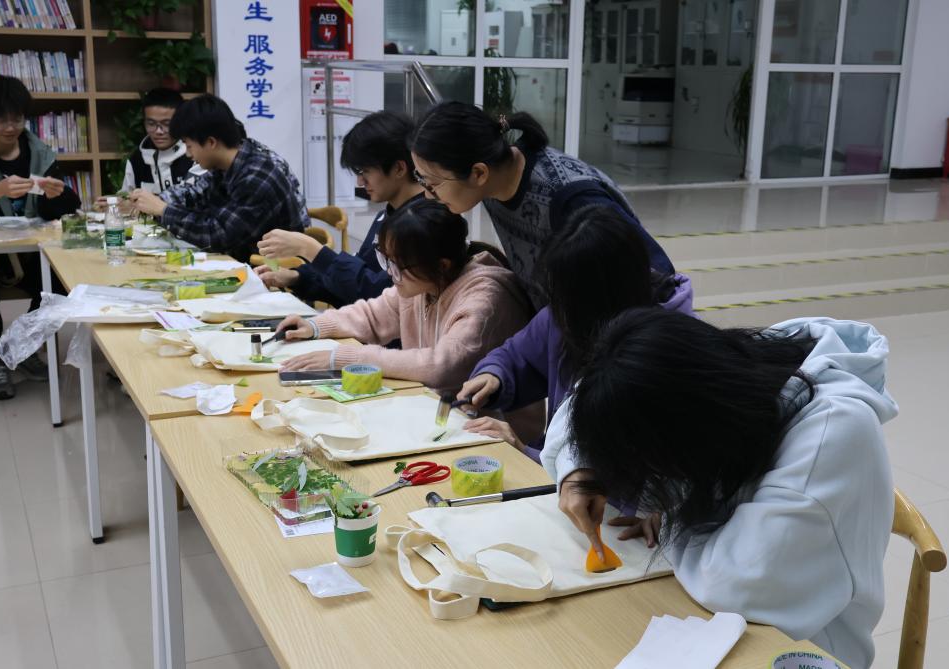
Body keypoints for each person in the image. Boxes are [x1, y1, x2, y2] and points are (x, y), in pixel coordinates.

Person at [545, 309, 896, 669]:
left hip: (797, 647)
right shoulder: (722, 373)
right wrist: (579, 470)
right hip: (699, 616)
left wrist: (670, 518)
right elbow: (586, 399)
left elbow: (741, 583)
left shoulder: (833, 432)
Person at [458, 205, 693, 459]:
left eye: (568, 298)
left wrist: (524, 452)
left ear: (603, 295)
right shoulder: (565, 313)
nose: (558, 309)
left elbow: (621, 472)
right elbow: (516, 355)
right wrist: (495, 375)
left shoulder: (664, 352)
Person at [410, 102, 674, 309]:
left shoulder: (573, 201)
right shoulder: (494, 182)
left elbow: (659, 279)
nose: (428, 195)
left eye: (432, 183)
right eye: (421, 180)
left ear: (478, 173)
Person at [273, 199, 533, 394]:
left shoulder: (484, 298)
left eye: (397, 265)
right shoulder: (423, 281)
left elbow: (441, 366)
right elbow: (372, 315)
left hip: (489, 428)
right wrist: (316, 326)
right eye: (386, 260)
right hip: (433, 406)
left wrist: (349, 358)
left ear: (441, 265)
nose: (390, 272)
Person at [0, 75, 78, 400]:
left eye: (17, 119)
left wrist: (57, 195)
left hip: (28, 252)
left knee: (61, 281)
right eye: (0, 120)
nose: (10, 127)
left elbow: (64, 207)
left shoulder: (38, 152)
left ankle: (26, 347)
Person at [254, 111, 424, 308]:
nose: (360, 182)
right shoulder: (387, 216)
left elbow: (379, 295)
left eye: (365, 171)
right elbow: (352, 283)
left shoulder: (423, 225)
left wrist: (311, 250)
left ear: (399, 169)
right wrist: (295, 277)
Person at [129, 94, 308, 262]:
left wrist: (164, 210)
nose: (188, 155)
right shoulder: (227, 163)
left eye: (189, 146)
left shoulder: (256, 177)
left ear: (211, 142)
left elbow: (217, 236)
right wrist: (154, 202)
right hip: (243, 260)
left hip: (273, 271)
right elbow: (194, 196)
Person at [120, 87, 205, 193]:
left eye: (166, 124)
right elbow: (126, 197)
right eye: (151, 124)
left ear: (181, 122)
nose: (158, 131)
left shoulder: (196, 156)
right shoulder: (136, 160)